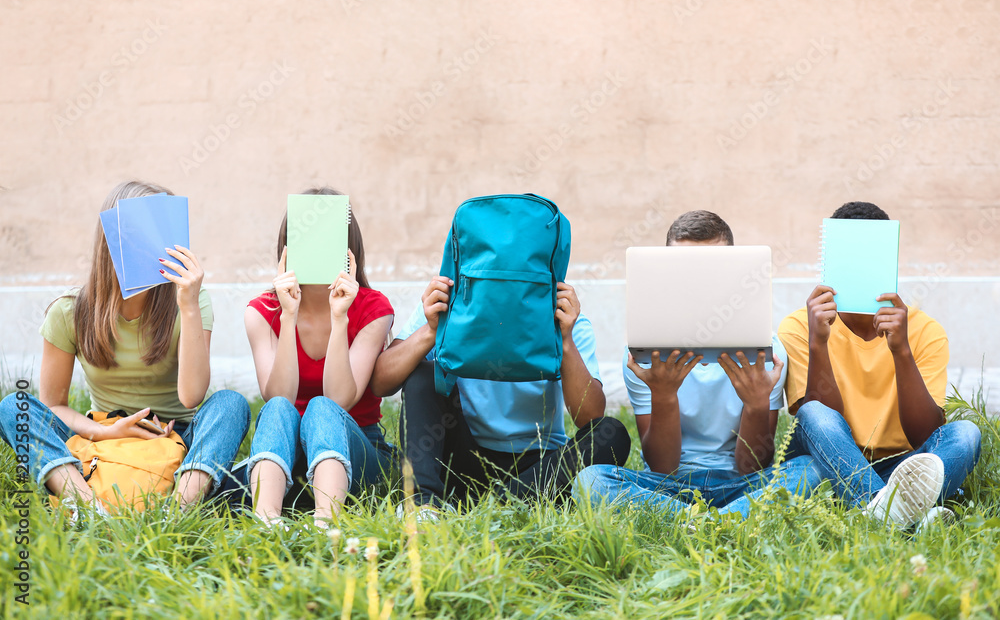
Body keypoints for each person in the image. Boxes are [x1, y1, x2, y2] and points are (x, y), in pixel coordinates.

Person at [0, 181, 250, 520]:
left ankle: (178, 511)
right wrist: (102, 431)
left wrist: (189, 304)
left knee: (231, 405)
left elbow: (192, 397)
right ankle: (84, 505)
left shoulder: (190, 302)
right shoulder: (69, 311)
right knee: (14, 407)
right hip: (103, 431)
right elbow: (54, 405)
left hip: (177, 431)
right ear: (113, 241)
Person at [573, 211, 819, 518]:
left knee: (812, 470)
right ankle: (725, 520)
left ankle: (696, 522)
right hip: (672, 486)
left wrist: (756, 405)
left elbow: (750, 467)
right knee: (591, 481)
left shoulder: (764, 351)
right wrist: (663, 396)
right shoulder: (643, 355)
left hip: (740, 485)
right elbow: (664, 468)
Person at [779, 201, 982, 529]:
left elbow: (925, 435)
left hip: (905, 468)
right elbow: (821, 423)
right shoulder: (800, 327)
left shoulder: (925, 331)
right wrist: (819, 342)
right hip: (833, 463)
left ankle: (879, 511)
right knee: (812, 412)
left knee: (966, 434)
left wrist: (901, 350)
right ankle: (902, 516)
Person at [370, 266, 631, 519]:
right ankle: (422, 506)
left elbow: (590, 417)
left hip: (538, 467)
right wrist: (431, 330)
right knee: (422, 374)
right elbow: (382, 382)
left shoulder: (565, 318)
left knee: (612, 433)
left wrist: (565, 340)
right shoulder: (449, 303)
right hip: (461, 460)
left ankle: (495, 505)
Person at [238, 187, 395, 529]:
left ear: (347, 249)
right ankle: (266, 522)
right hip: (289, 457)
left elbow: (339, 400)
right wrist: (288, 316)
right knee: (278, 408)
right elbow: (278, 395)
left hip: (357, 455)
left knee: (322, 407)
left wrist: (341, 318)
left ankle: (327, 522)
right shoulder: (262, 312)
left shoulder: (373, 309)